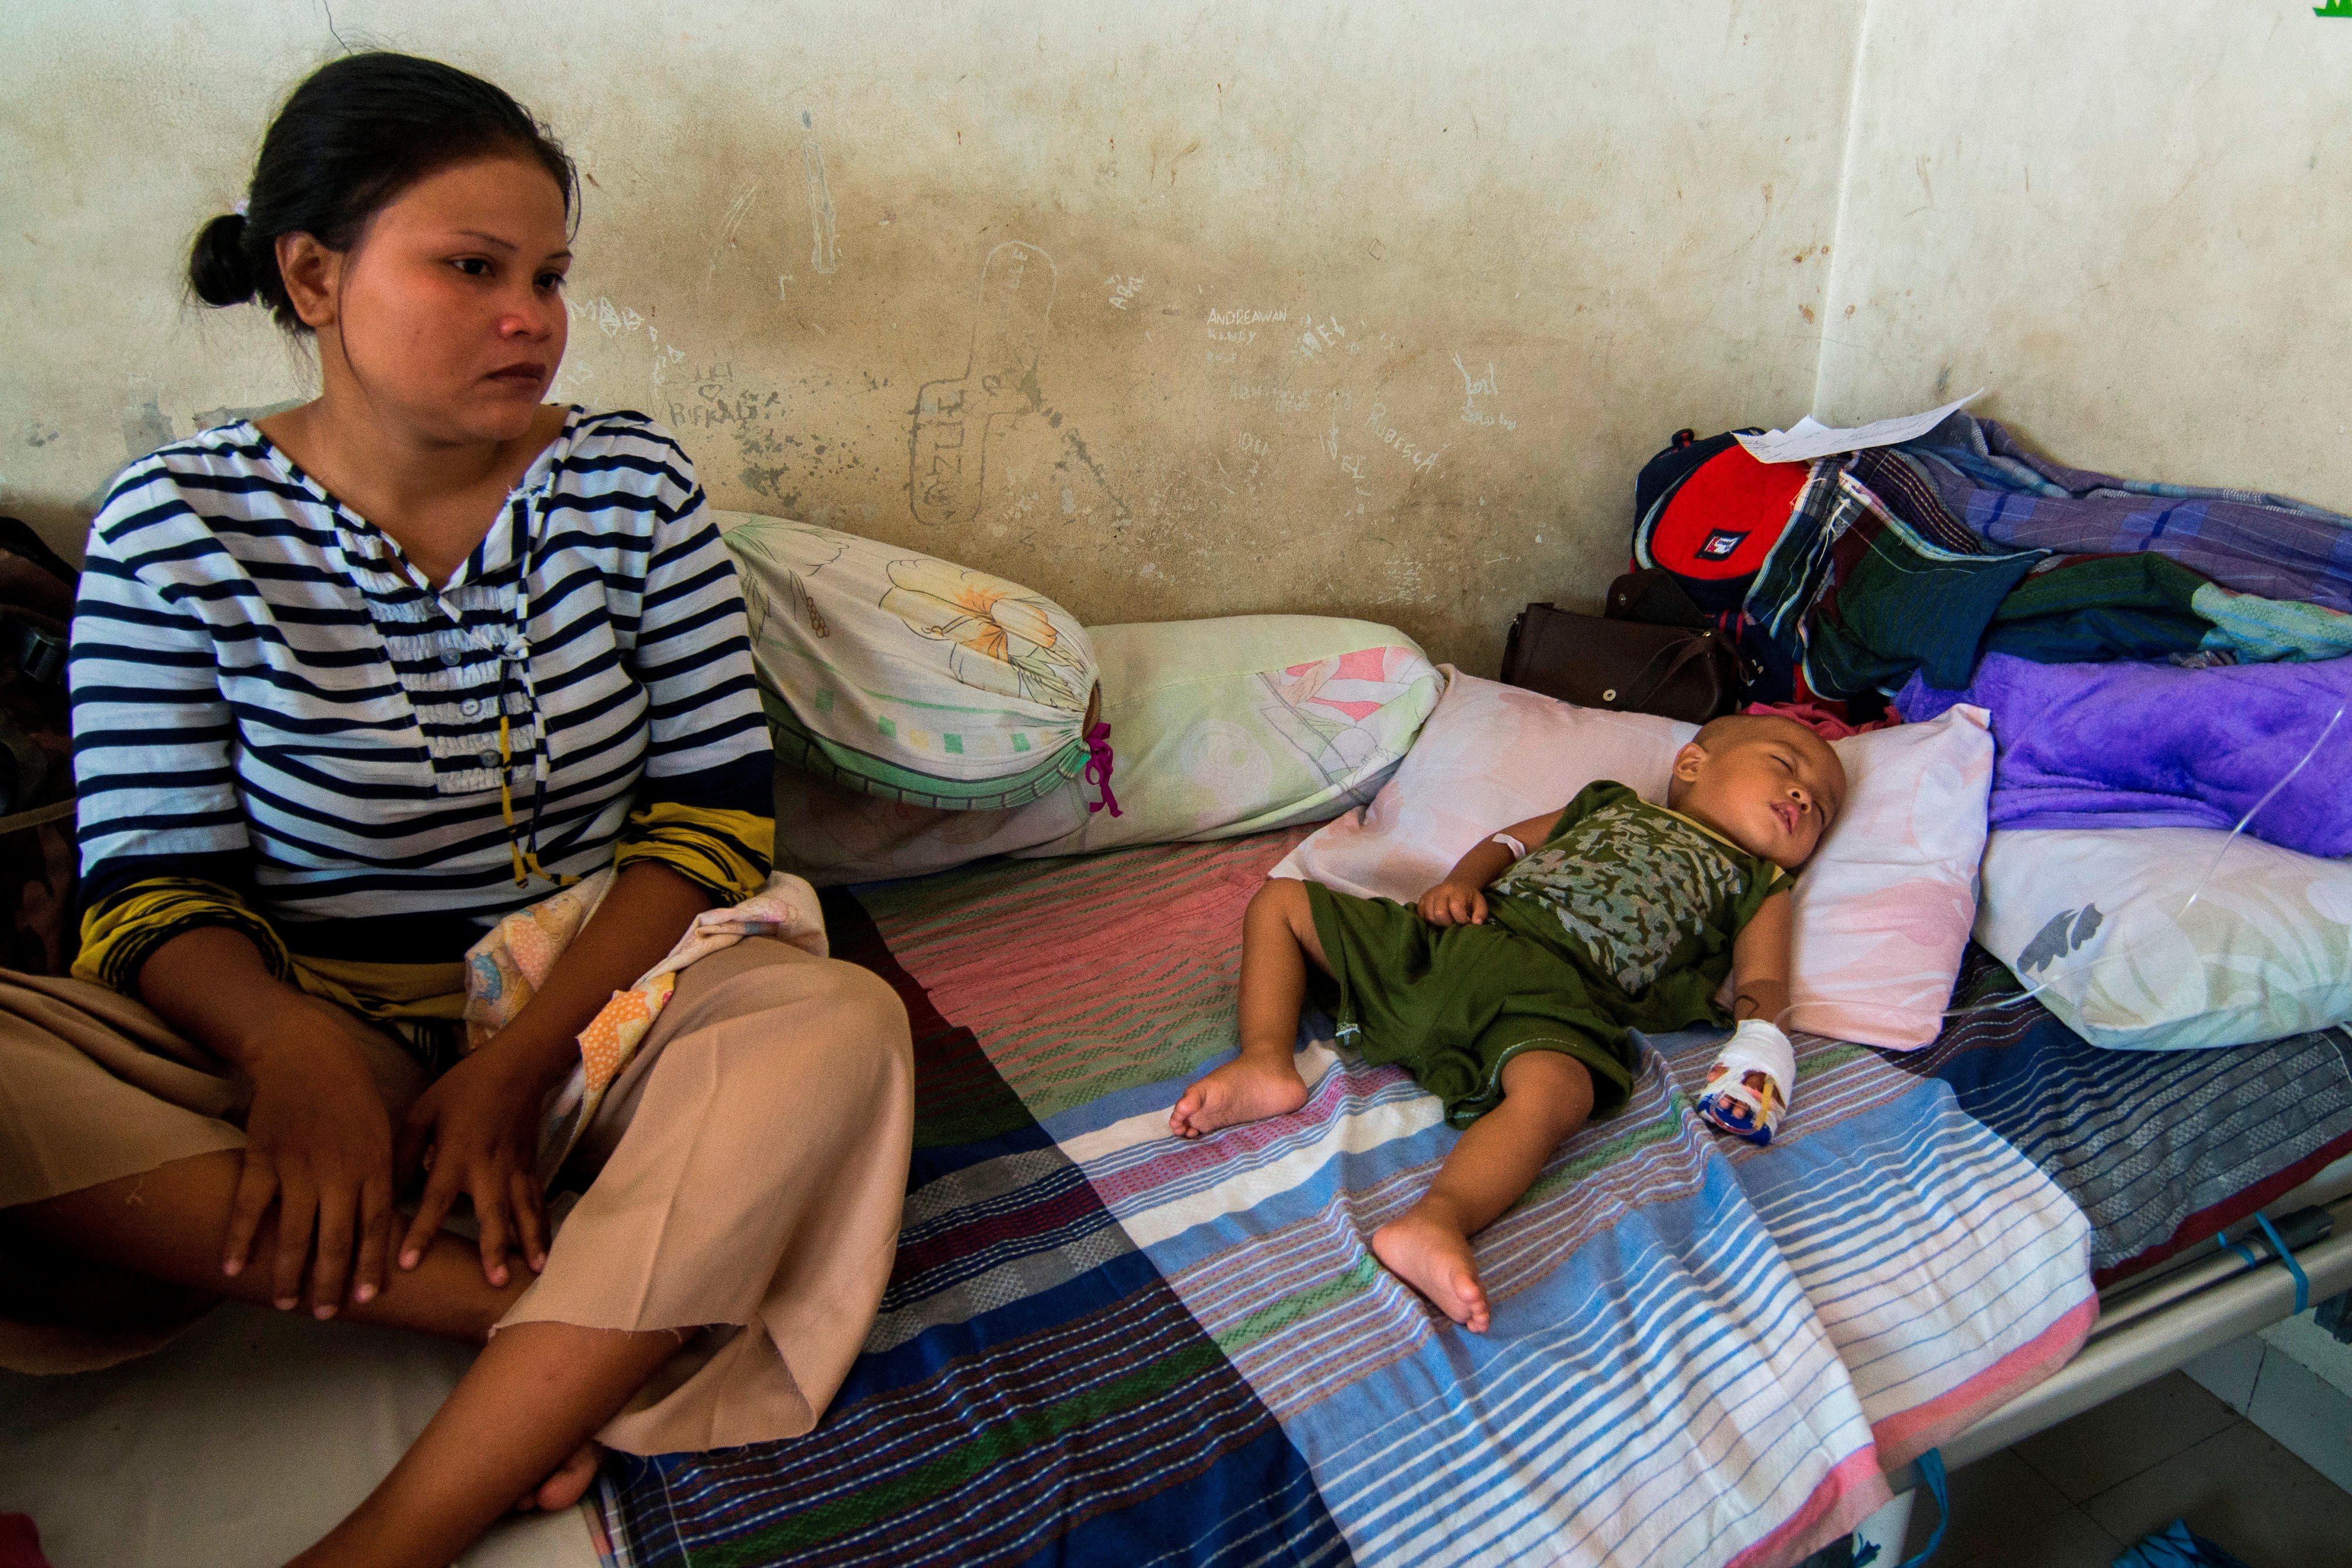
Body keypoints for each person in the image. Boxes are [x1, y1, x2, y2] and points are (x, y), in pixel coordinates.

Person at [0, 52, 914, 1568]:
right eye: (473, 268)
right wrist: (293, 1054)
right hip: (299, 1041)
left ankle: (394, 1534)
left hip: (596, 1025)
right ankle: (573, 1307)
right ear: (313, 275)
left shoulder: (627, 487)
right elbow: (152, 884)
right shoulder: (180, 523)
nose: (532, 318)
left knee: (834, 1029)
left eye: (550, 275)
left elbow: (706, 818)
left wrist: (516, 1068)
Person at [1170, 713, 1845, 1332]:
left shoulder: (1760, 884)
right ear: (1693, 764)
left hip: (1557, 1000)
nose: (1803, 798)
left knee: (1561, 1091)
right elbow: (1507, 844)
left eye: (1822, 806)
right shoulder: (1610, 804)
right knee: (1283, 901)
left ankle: (1439, 1220)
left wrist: (1763, 1042)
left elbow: (1762, 981)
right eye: (1786, 766)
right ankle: (1266, 1059)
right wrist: (1461, 881)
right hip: (1460, 938)